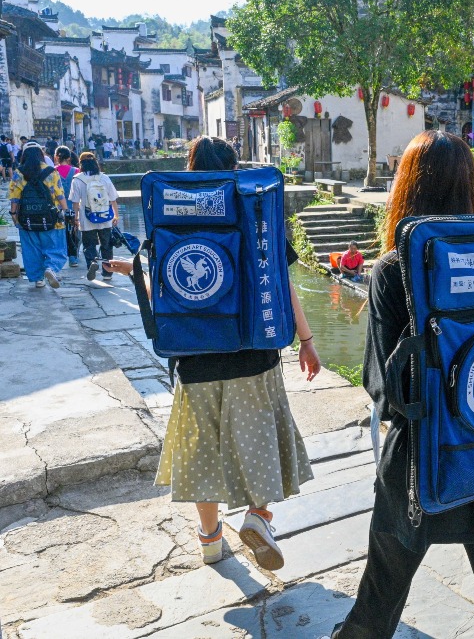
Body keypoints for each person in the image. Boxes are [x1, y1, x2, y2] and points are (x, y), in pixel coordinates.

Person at [331, 131, 474, 639]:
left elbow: (385, 392)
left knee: (381, 591)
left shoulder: (394, 267)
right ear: (470, 188)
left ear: (406, 187)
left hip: (424, 458)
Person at [103, 136, 321, 571]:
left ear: (190, 167)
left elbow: (169, 297)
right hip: (253, 355)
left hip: (195, 356)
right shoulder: (259, 209)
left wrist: (136, 273)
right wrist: (307, 340)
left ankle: (210, 542)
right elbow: (280, 285)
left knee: (202, 454)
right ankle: (258, 519)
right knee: (257, 443)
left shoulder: (171, 213)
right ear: (234, 167)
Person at [8, 143, 69, 288]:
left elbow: (14, 198)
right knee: (56, 246)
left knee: (31, 249)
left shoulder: (19, 173)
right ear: (41, 155)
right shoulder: (51, 172)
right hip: (51, 218)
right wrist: (66, 211)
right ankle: (51, 268)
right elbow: (60, 194)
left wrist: (13, 215)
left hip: (26, 218)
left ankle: (38, 279)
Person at [70, 153, 120, 283]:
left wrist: (75, 218)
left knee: (89, 244)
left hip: (87, 217)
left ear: (80, 164)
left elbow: (75, 202)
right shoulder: (104, 178)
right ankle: (107, 272)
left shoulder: (77, 179)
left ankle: (91, 263)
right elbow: (113, 198)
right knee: (107, 245)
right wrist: (116, 215)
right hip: (105, 216)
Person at [54, 146, 82, 267]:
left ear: (56, 157)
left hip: (58, 206)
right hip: (74, 205)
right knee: (75, 231)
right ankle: (73, 256)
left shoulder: (52, 171)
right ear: (69, 158)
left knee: (61, 231)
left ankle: (61, 255)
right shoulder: (76, 171)